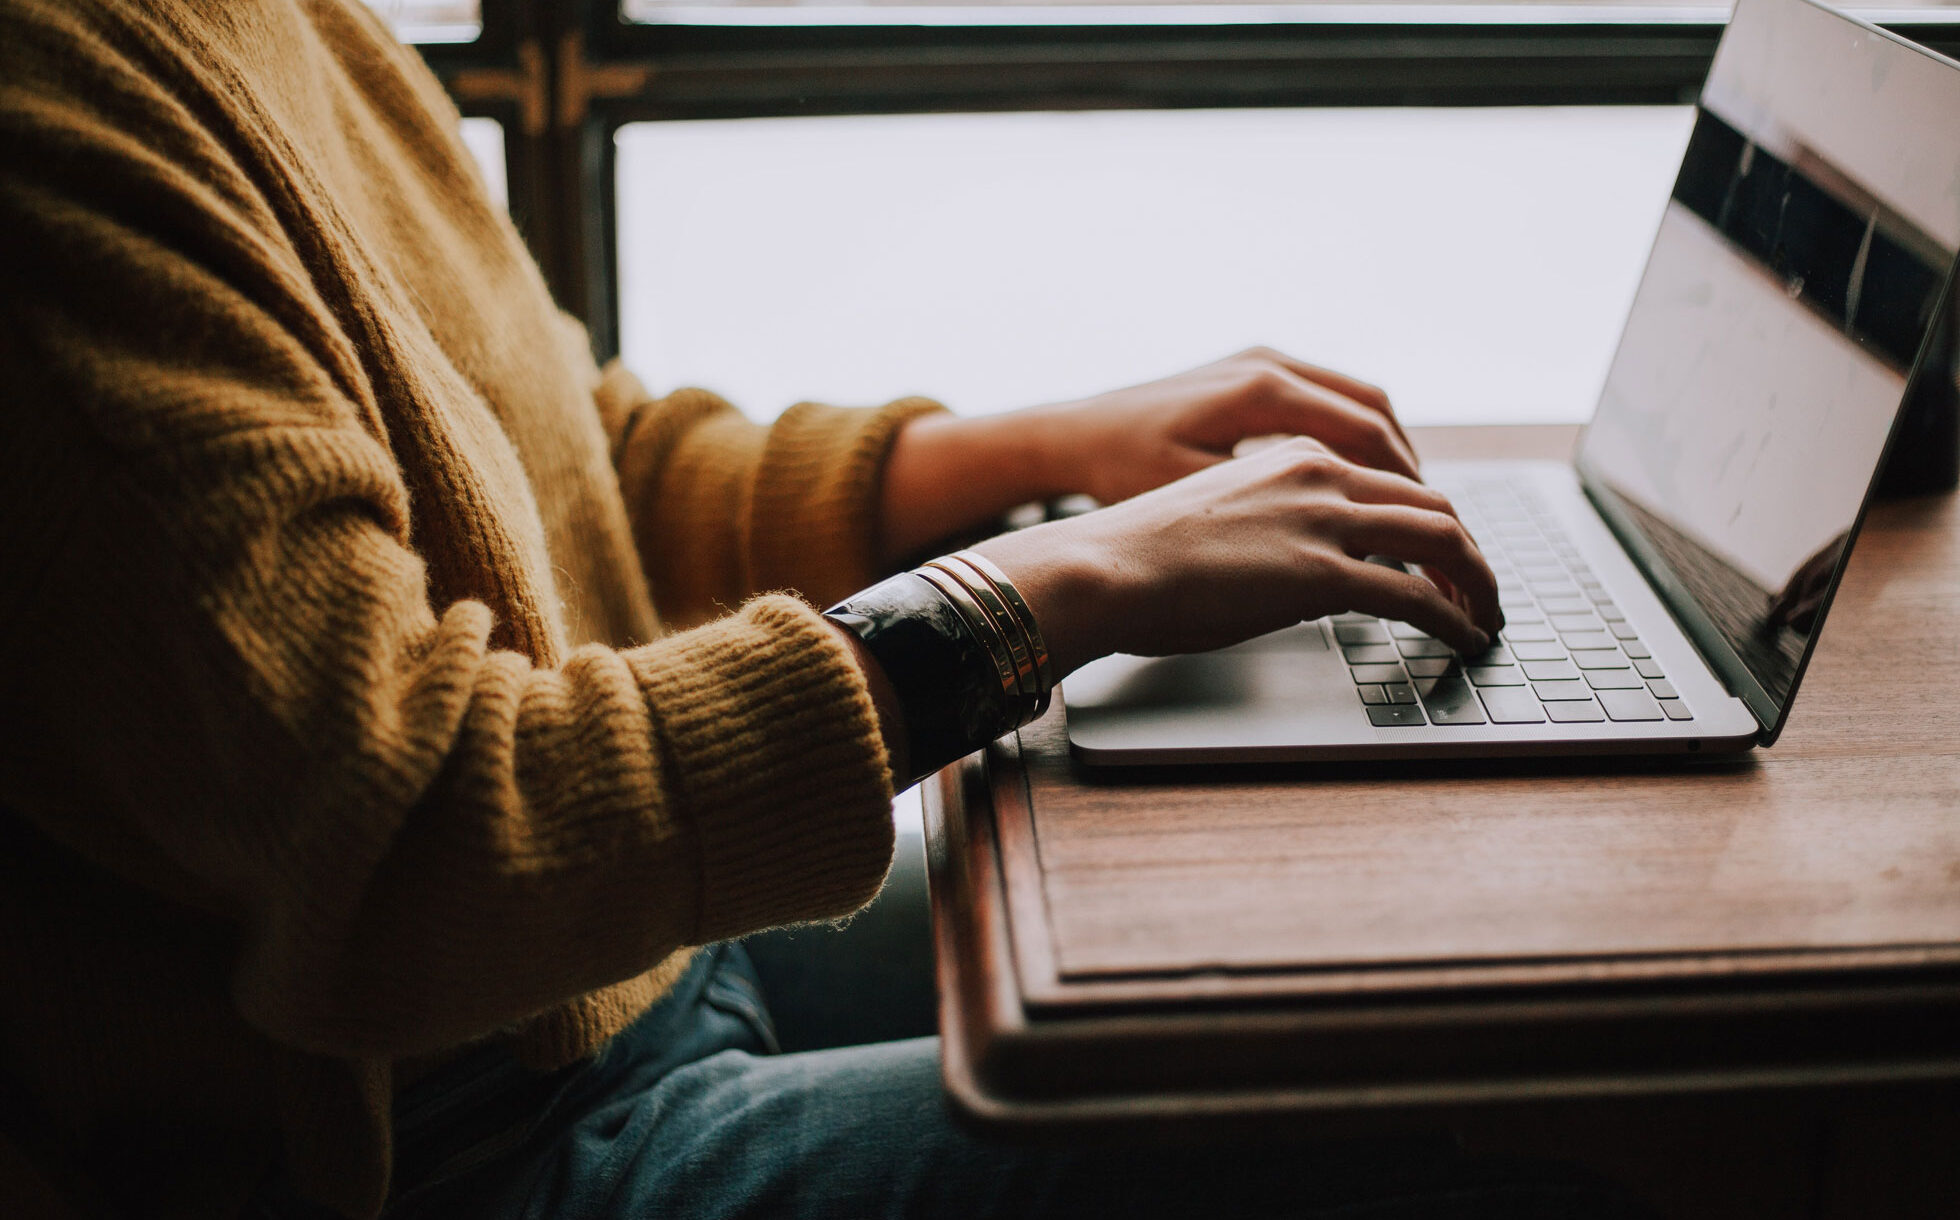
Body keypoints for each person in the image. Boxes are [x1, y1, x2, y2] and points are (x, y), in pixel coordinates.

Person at [0, 2, 1650, 1218]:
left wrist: (1042, 450)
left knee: (1382, 978)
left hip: (632, 960)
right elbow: (422, 842)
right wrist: (1045, 591)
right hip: (442, 1143)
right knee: (1463, 1150)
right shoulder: (52, 116)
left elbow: (572, 460)